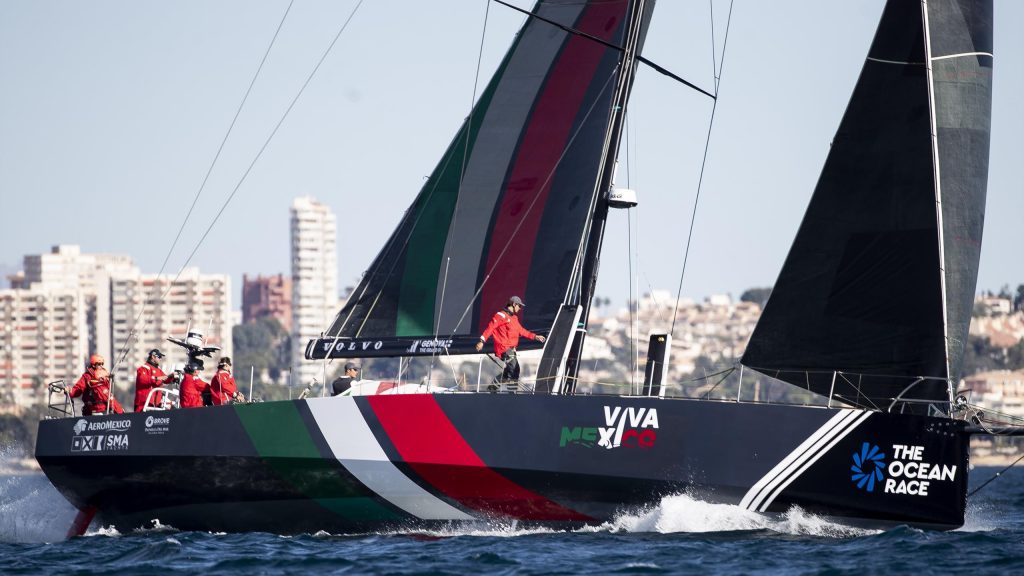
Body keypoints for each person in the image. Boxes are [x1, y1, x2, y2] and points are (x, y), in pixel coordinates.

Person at [475, 296, 545, 388]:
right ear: (514, 304)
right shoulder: (501, 315)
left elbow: (521, 331)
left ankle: (493, 387)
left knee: (511, 370)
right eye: (519, 306)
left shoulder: (514, 318)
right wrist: (482, 341)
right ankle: (511, 392)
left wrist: (535, 336)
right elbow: (490, 328)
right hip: (504, 348)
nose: (520, 308)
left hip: (511, 349)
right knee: (514, 368)